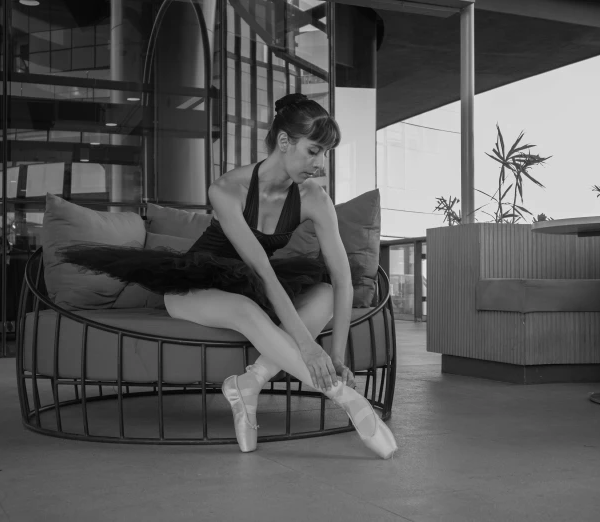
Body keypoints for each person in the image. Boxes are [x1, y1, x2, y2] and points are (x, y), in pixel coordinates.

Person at [59, 93, 397, 459]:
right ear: (284, 142)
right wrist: (308, 347)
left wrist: (335, 355)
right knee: (244, 308)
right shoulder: (226, 189)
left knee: (326, 293)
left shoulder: (314, 198)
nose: (321, 164)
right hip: (196, 284)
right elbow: (260, 270)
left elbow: (343, 279)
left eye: (326, 154)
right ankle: (347, 401)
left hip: (253, 288)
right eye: (314, 151)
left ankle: (248, 383)